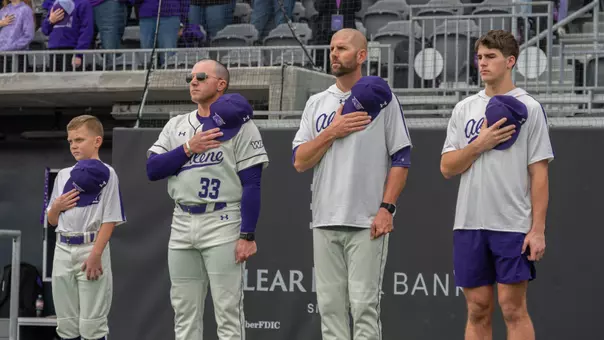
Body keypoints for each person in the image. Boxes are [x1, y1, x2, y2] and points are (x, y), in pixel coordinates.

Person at [292, 28, 412, 340]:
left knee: (363, 308)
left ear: (361, 56)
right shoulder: (317, 103)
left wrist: (387, 208)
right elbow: (300, 161)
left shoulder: (383, 98)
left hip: (366, 220)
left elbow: (401, 157)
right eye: (331, 48)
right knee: (330, 308)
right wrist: (333, 130)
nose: (334, 53)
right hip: (325, 217)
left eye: (342, 48)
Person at [440, 30, 554, 340]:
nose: (483, 64)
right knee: (477, 307)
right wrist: (480, 144)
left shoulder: (529, 108)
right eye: (479, 57)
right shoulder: (464, 109)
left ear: (510, 61)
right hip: (469, 222)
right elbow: (447, 167)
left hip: (512, 224)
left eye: (491, 57)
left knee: (512, 308)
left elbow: (539, 173)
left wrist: (537, 229)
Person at [146, 59, 269, 340]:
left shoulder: (240, 125)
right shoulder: (177, 125)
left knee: (228, 311)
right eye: (190, 77)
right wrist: (189, 148)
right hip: (182, 220)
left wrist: (247, 234)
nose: (193, 81)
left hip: (222, 219)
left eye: (201, 77)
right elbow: (153, 170)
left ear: (221, 84)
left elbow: (252, 183)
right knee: (184, 310)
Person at [47, 115, 126, 340]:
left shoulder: (108, 174)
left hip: (90, 246)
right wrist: (57, 206)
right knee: (66, 324)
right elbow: (52, 220)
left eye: (79, 140)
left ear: (97, 141)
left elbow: (110, 219)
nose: (74, 145)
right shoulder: (63, 175)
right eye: (70, 141)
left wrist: (96, 254)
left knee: (92, 324)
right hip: (63, 247)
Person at [41, 0, 94, 71]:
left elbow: (87, 31)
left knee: (71, 81)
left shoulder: (83, 3)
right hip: (53, 49)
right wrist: (50, 21)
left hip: (72, 50)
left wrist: (78, 54)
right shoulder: (54, 3)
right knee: (54, 81)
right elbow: (45, 30)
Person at [0, 0, 35, 72]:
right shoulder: (3, 10)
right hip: (1, 54)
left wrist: (12, 46)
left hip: (17, 55)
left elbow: (28, 35)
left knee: (17, 82)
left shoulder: (26, 10)